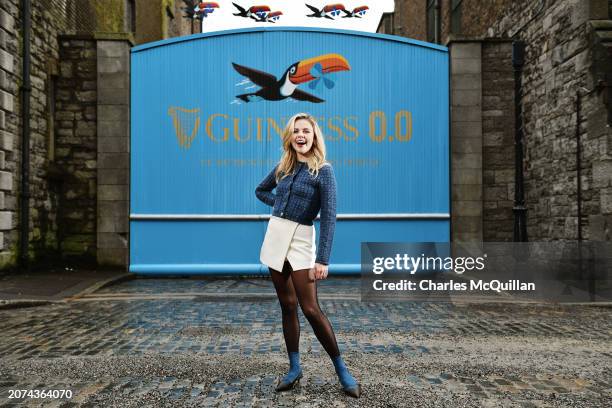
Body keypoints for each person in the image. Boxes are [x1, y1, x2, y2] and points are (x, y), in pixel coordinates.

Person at [255, 113, 361, 398]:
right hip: (276, 236)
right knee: (287, 306)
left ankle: (342, 371)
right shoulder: (284, 166)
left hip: (302, 240)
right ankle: (294, 368)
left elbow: (329, 217)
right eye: (296, 131)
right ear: (290, 136)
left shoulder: (323, 171)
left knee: (310, 308)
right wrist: (278, 203)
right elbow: (260, 190)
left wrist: (323, 259)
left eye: (306, 131)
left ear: (314, 137)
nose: (301, 135)